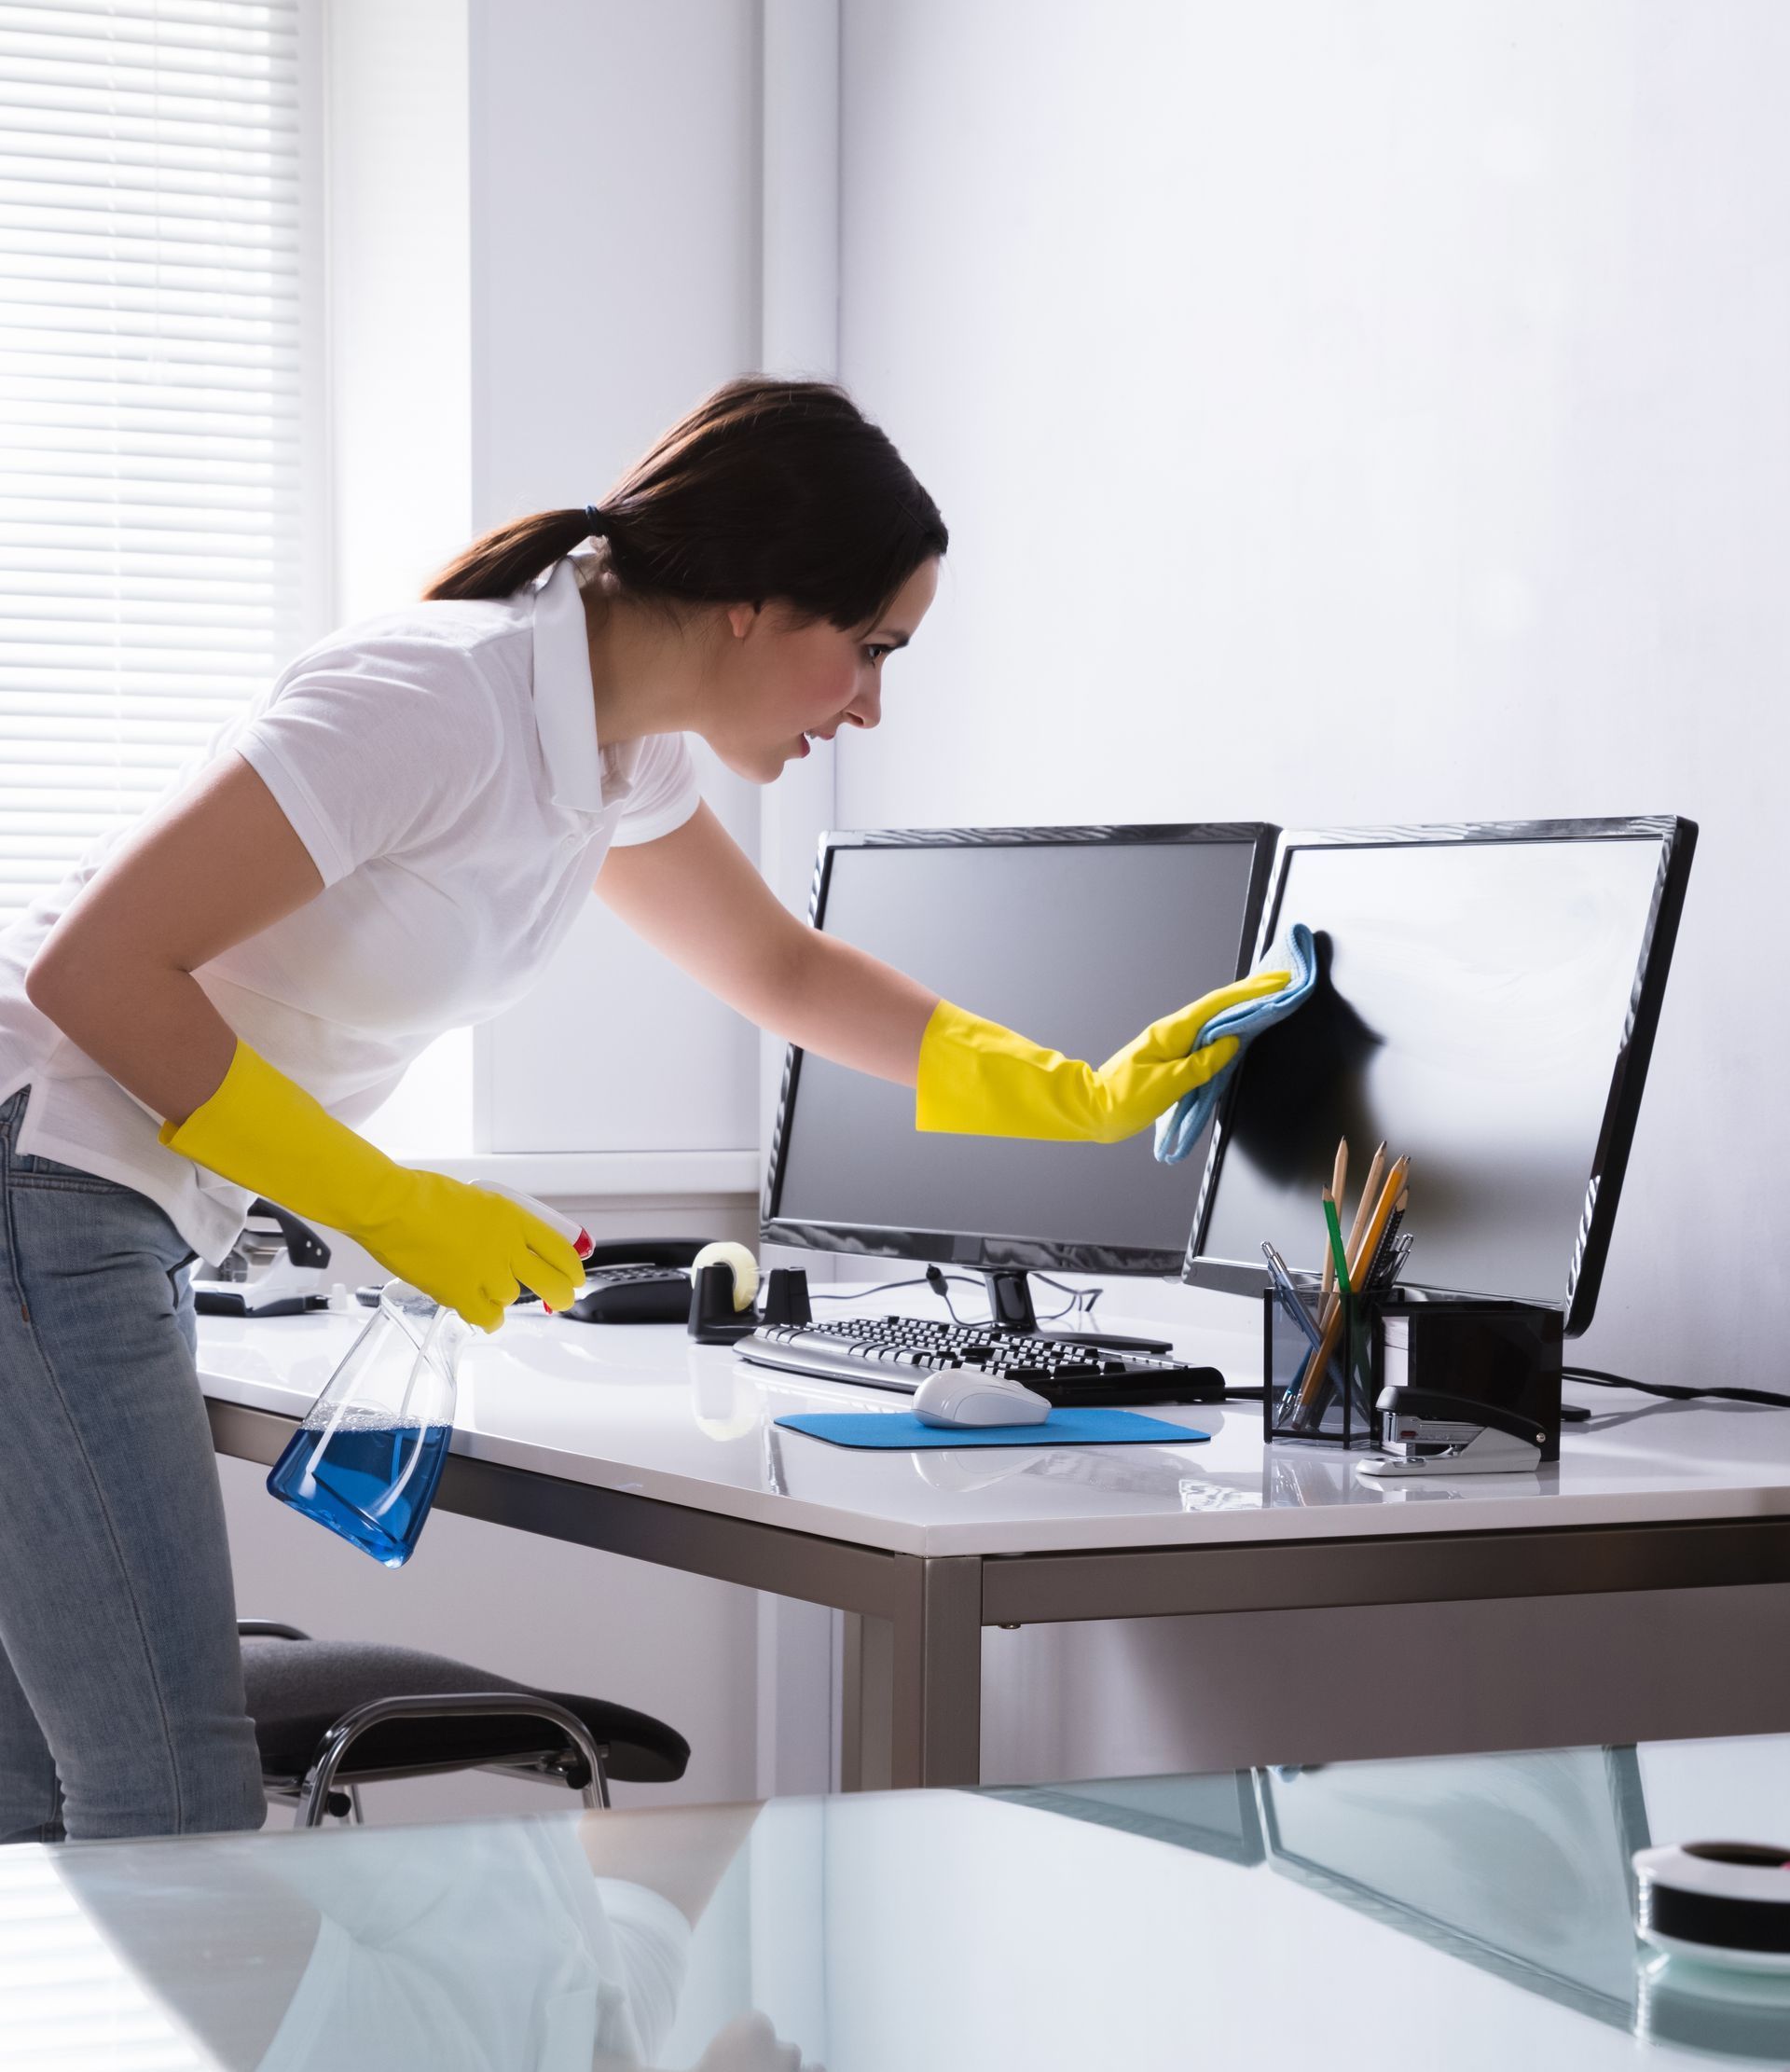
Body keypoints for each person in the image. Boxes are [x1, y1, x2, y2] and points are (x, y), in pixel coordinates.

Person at [0, 375, 1284, 1843]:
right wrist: (388, 1203)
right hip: (43, 1172)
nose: (873, 701)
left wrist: (1075, 1090)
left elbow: (780, 967)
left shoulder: (613, 754)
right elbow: (98, 970)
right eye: (868, 648)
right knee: (163, 1791)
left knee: (36, 1789)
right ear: (750, 599)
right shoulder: (438, 699)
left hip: (83, 1197)